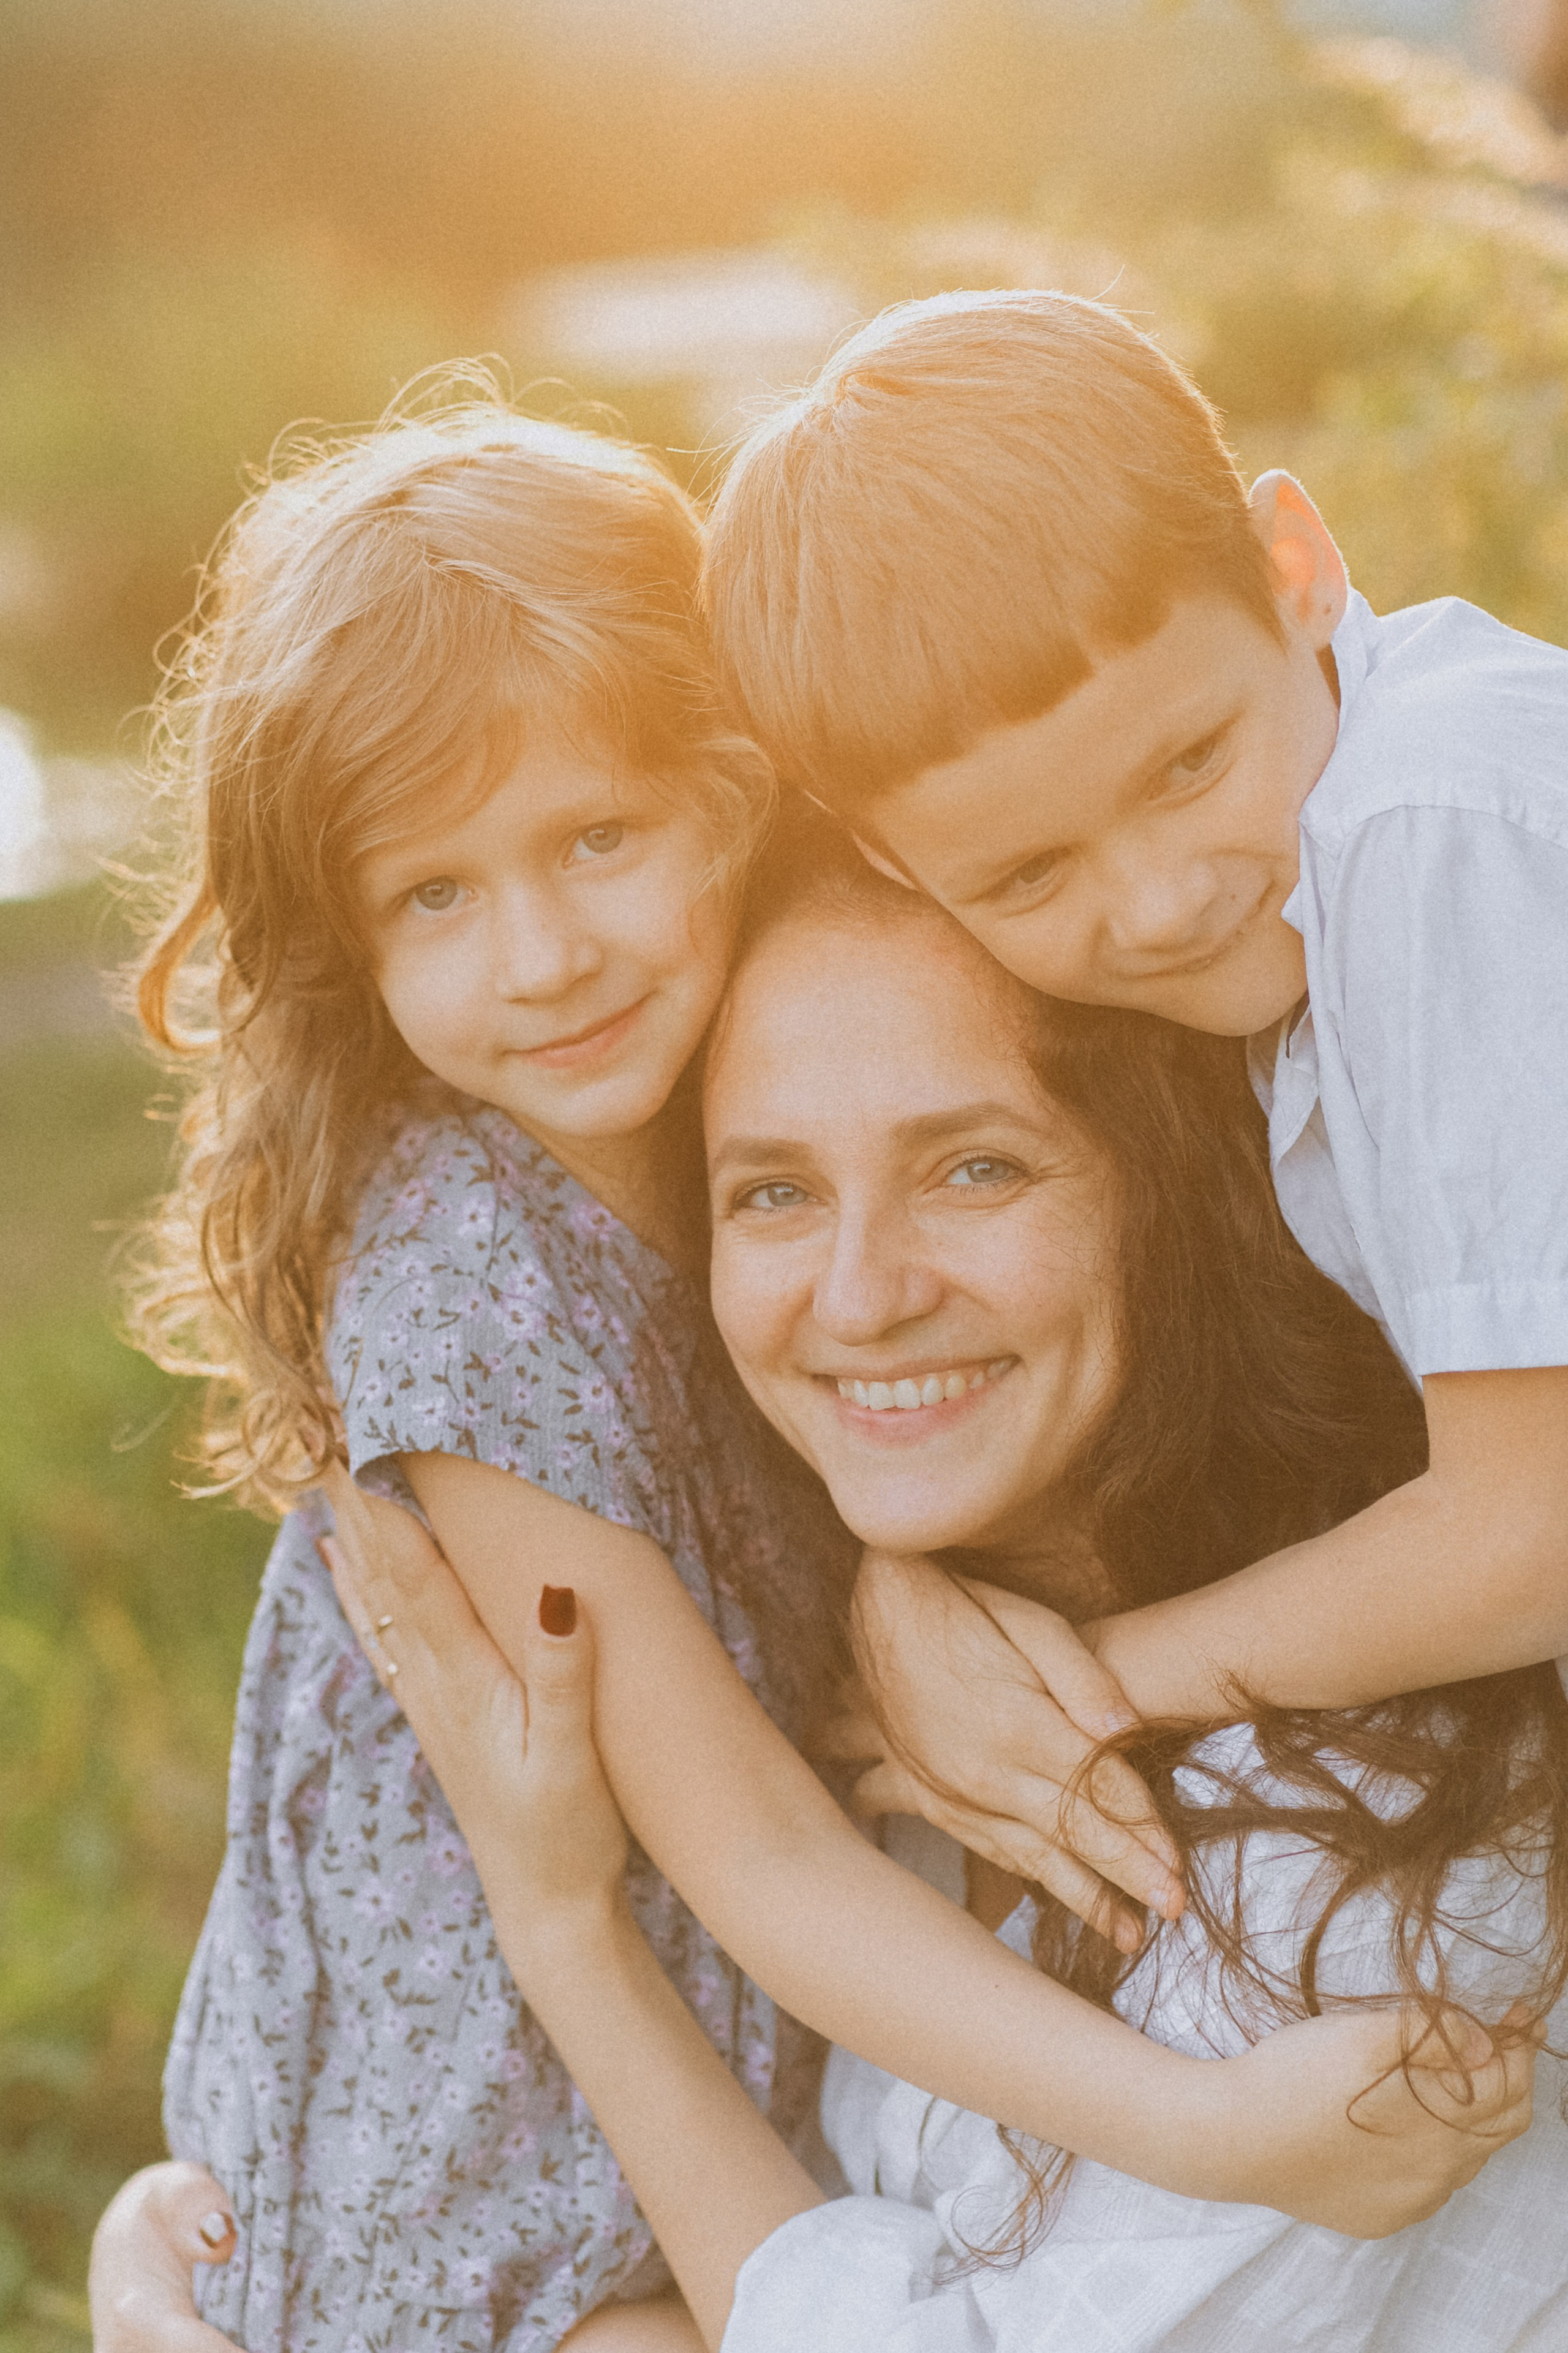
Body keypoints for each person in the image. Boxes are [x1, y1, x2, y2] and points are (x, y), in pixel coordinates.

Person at [100, 381, 1498, 2353]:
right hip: (495, 2178)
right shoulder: (461, 1280)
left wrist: (895, 1597)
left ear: (734, 797)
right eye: (437, 893)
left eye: (595, 837)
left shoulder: (757, 1050)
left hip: (721, 2076)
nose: (545, 956)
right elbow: (748, 1844)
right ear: (350, 935)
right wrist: (1215, 2130)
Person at [268, 859, 1568, 2347]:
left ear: (1176, 1189)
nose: (860, 1294)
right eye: (773, 1192)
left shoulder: (1367, 1833)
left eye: (974, 1169)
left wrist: (566, 1930)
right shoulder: (830, 1701)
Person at [699, 287, 1568, 1882]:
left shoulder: (1428, 823)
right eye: (1032, 873)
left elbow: (1538, 1533)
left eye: (1184, 765)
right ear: (905, 863)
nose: (1164, 900)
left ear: (1293, 569)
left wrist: (1070, 1696)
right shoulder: (1305, 883)